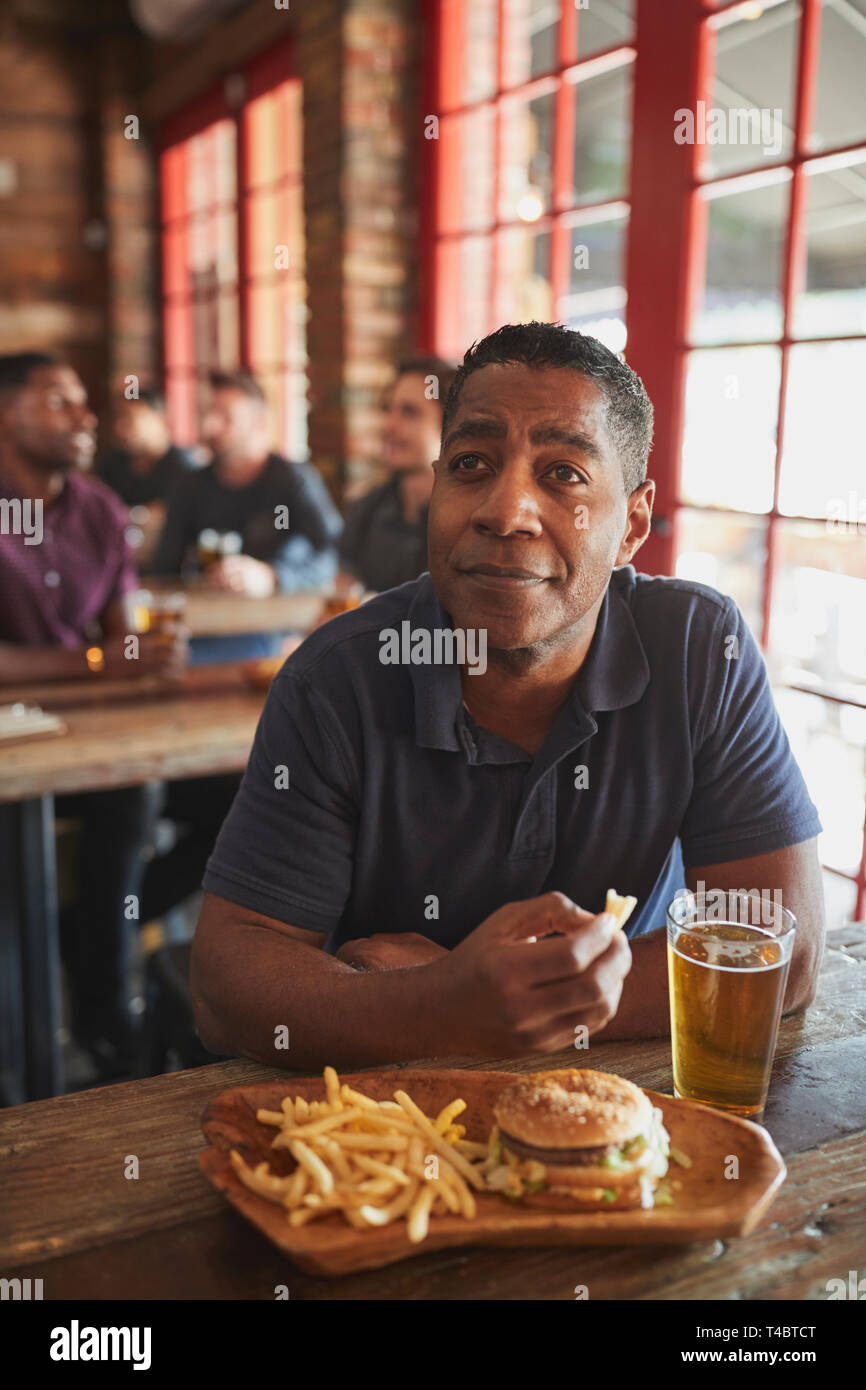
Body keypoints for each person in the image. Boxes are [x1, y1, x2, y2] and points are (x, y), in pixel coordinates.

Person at [190, 322, 826, 1071]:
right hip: (392, 1125)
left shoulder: (698, 646)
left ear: (633, 526)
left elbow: (781, 947)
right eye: (470, 464)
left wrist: (451, 996)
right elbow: (225, 985)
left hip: (633, 1111)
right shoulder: (338, 677)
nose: (504, 510)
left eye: (562, 474)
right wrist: (445, 1005)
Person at [0, 352, 186, 1078]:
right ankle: (27, 1062)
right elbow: (107, 655)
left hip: (88, 738)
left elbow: (123, 633)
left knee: (226, 790)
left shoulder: (102, 510)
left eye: (83, 402)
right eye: (58, 401)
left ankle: (105, 1006)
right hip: (13, 752)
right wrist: (106, 662)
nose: (84, 417)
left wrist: (146, 649)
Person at [151, 370, 342, 660]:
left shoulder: (292, 480)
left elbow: (333, 554)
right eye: (209, 413)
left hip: (275, 629)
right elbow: (163, 569)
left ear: (258, 423)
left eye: (225, 416)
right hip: (202, 630)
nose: (209, 425)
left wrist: (272, 575)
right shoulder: (190, 486)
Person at [339, 355, 457, 592]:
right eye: (388, 410)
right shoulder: (365, 511)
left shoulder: (473, 521)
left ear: (453, 425)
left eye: (409, 412)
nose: (388, 425)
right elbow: (342, 594)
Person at [97, 388, 197, 567]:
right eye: (118, 419)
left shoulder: (185, 466)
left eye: (129, 419)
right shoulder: (112, 462)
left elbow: (173, 521)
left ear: (159, 420)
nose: (120, 428)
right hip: (120, 561)